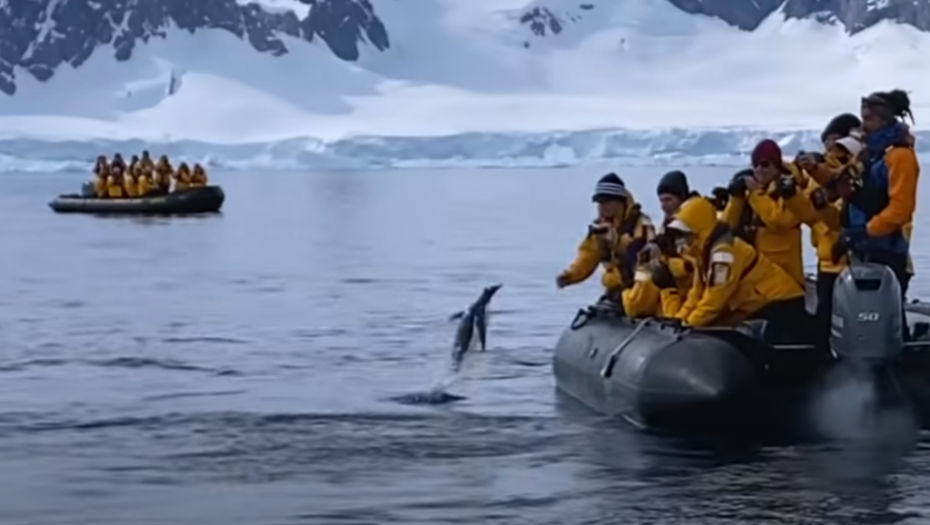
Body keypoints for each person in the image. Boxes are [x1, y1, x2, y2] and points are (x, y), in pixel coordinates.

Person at [663, 196, 808, 343]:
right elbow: (696, 295)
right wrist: (678, 322)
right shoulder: (704, 255)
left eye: (686, 233)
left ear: (699, 229)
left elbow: (714, 302)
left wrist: (687, 327)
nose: (682, 239)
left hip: (779, 307)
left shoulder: (723, 254)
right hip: (758, 308)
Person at [783, 114, 866, 347]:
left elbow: (839, 215)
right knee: (825, 316)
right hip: (828, 257)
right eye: (827, 140)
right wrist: (792, 196)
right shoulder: (818, 174)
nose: (830, 146)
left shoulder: (859, 171)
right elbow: (812, 214)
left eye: (835, 139)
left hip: (856, 257)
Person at [833, 89, 919, 298]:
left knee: (886, 316)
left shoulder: (900, 157)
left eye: (869, 119)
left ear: (884, 120)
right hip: (864, 250)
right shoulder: (871, 155)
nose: (864, 125)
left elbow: (901, 209)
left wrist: (865, 231)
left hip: (887, 252)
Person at [556, 173, 655, 304]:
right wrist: (570, 276)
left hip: (640, 289)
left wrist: (615, 241)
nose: (601, 206)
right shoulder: (600, 228)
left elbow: (643, 257)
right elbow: (588, 255)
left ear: (620, 202)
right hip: (615, 288)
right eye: (599, 202)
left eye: (606, 202)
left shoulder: (641, 225)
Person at [721, 139, 805, 285]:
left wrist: (755, 193)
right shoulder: (752, 193)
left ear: (777, 165)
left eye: (765, 164)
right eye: (755, 165)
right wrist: (736, 199)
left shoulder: (791, 191)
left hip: (785, 277)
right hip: (755, 275)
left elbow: (779, 222)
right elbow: (726, 228)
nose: (759, 169)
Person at [622, 172, 696, 317]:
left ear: (682, 197)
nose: (663, 206)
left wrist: (670, 265)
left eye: (668, 200)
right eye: (661, 201)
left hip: (686, 292)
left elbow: (695, 263)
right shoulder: (668, 224)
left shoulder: (694, 224)